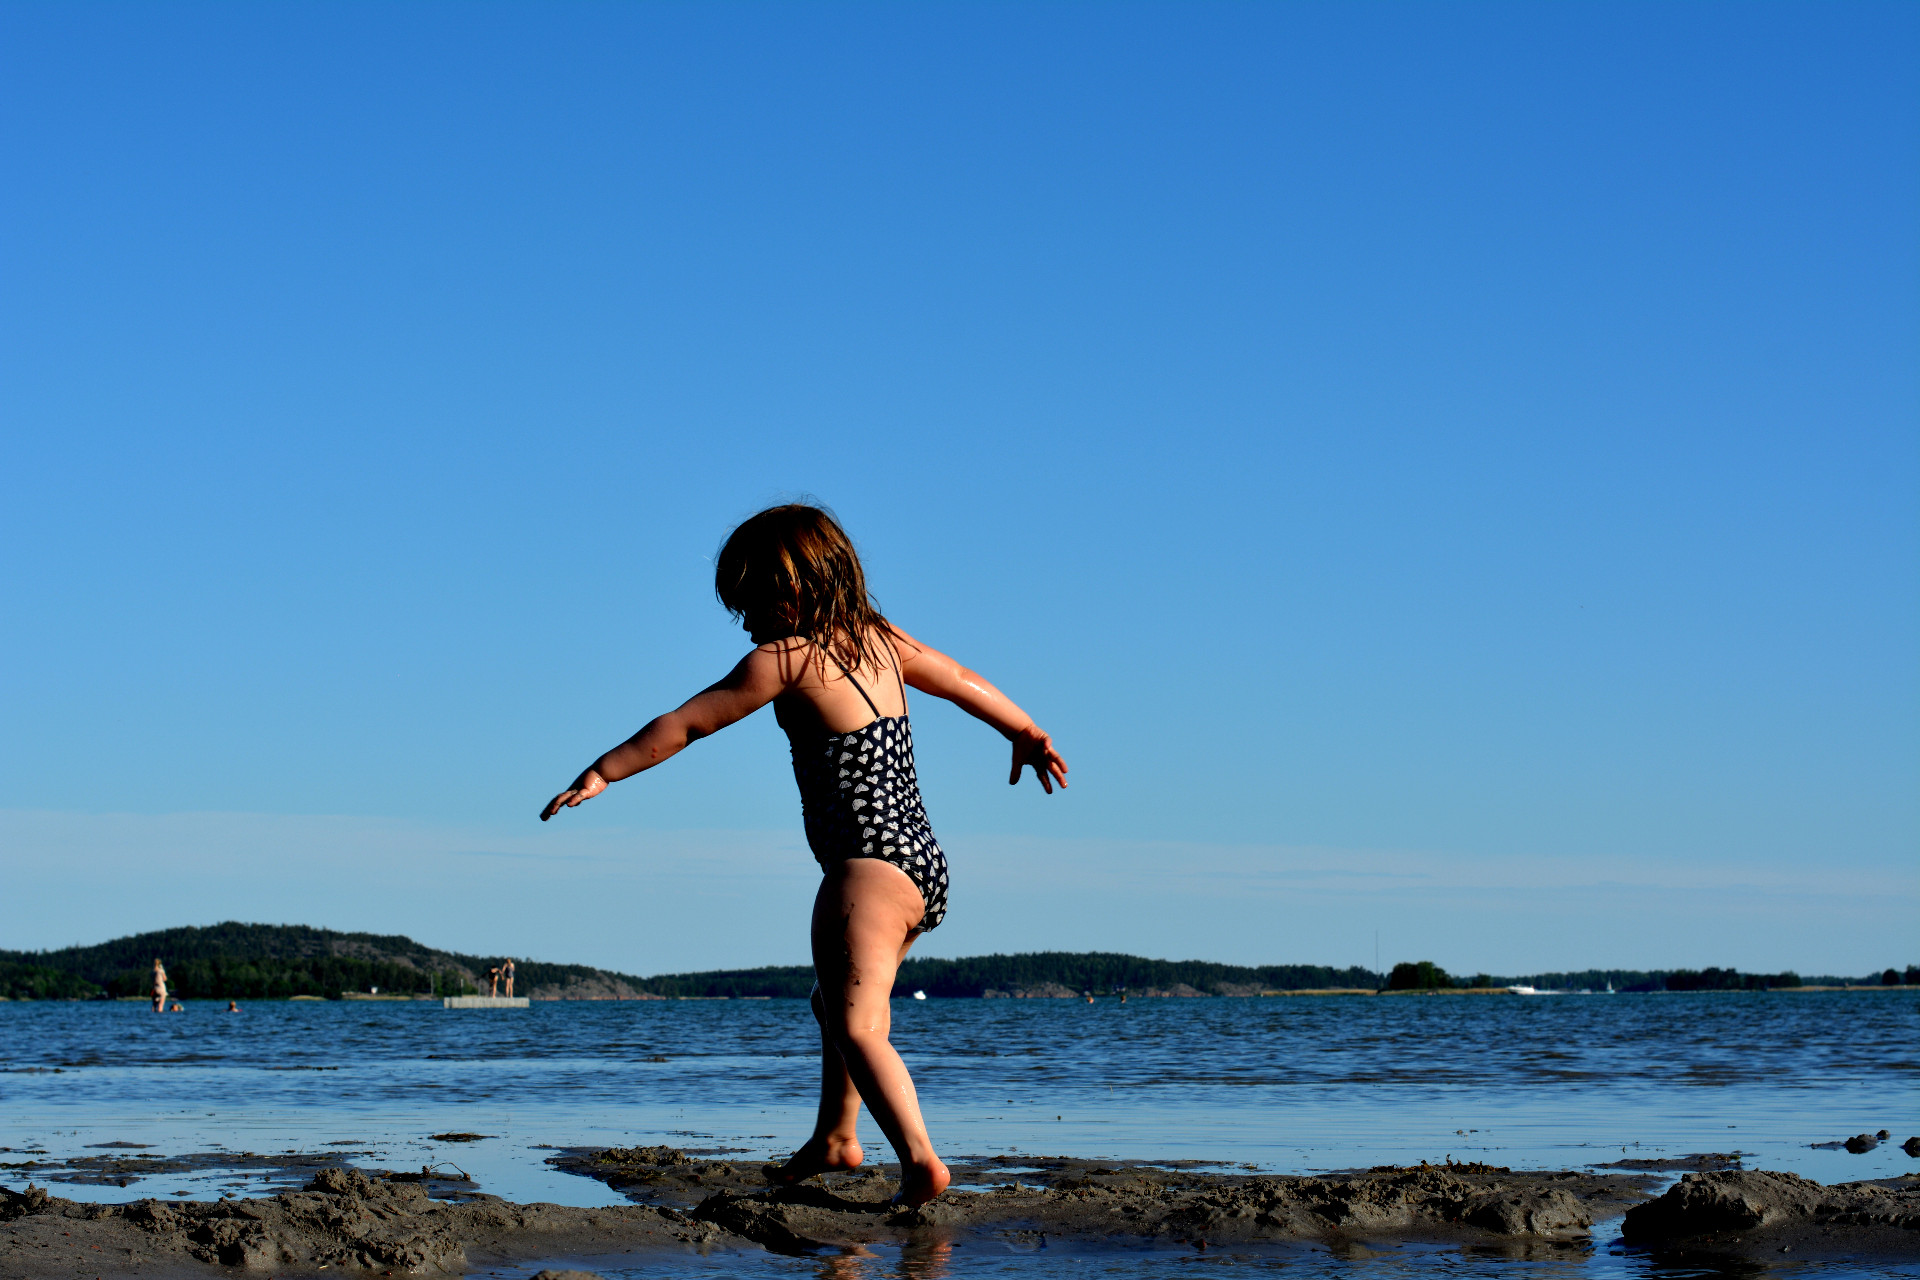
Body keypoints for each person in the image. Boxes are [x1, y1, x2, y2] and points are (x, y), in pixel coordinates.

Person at [540, 504, 1067, 1207]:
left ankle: (920, 1161)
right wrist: (1025, 730)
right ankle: (836, 1138)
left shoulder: (782, 659)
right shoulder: (882, 641)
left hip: (863, 867)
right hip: (921, 864)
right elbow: (960, 677)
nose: (747, 625)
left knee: (857, 1025)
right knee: (837, 1003)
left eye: (751, 606)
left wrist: (606, 769)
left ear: (797, 592)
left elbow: (688, 722)